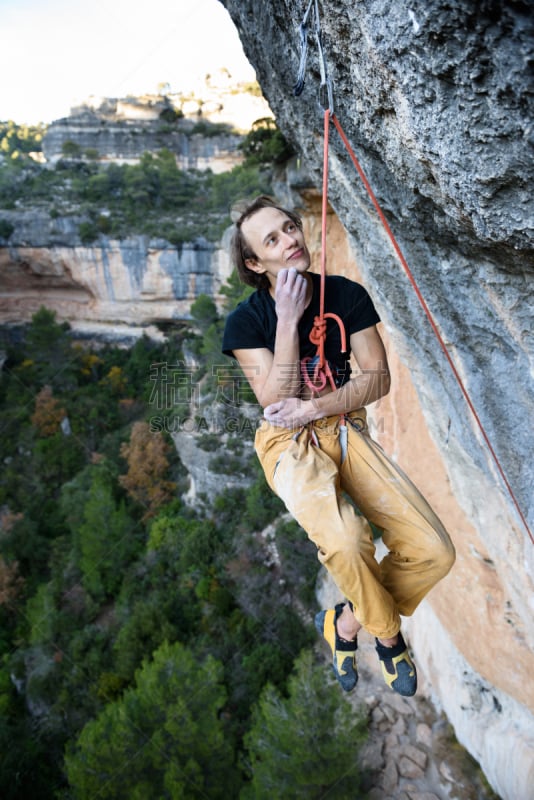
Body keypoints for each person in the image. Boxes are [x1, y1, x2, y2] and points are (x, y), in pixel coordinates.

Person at [222, 195, 455, 696]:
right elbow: (274, 398)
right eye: (272, 240)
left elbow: (379, 378)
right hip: (288, 445)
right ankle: (389, 639)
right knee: (347, 540)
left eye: (290, 228)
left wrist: (317, 407)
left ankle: (346, 623)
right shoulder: (246, 323)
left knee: (434, 551)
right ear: (254, 263)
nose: (290, 241)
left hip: (342, 425)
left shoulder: (346, 295)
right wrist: (288, 318)